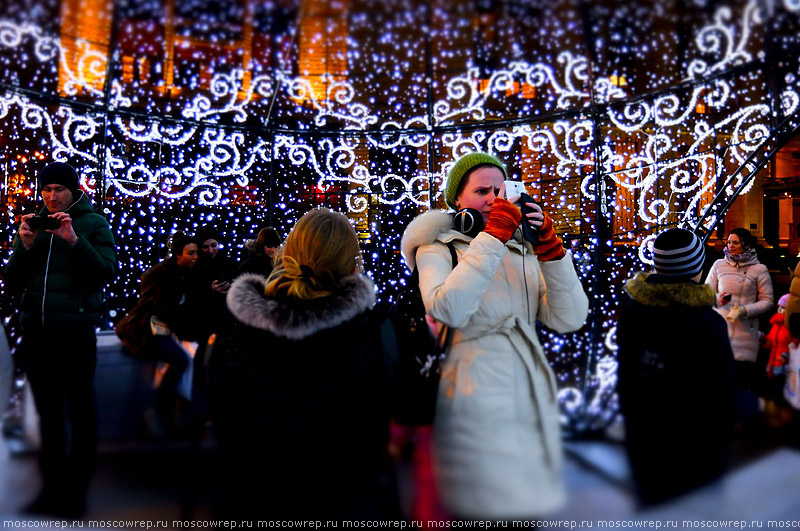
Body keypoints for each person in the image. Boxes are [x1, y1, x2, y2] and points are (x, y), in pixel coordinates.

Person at [400, 152, 589, 519]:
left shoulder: (521, 248)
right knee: (483, 514)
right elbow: (448, 308)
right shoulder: (437, 246)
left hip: (531, 393)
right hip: (472, 391)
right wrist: (493, 236)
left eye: (499, 190)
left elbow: (569, 319)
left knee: (527, 513)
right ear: (458, 199)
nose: (491, 198)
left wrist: (552, 253)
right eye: (481, 190)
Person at [211, 208, 398, 519]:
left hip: (254, 493)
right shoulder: (373, 330)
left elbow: (221, 408)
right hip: (346, 495)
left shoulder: (237, 329)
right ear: (352, 266)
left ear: (287, 255)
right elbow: (387, 410)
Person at [4, 162, 116, 517]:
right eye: (47, 189)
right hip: (37, 329)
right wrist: (24, 245)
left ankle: (76, 494)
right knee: (49, 413)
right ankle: (51, 491)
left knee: (81, 411)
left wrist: (72, 241)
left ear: (74, 190)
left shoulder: (94, 223)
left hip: (76, 330)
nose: (52, 197)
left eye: (60, 190)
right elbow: (12, 280)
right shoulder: (33, 224)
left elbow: (106, 273)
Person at [617, 228, 736, 506]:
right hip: (695, 441)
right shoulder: (706, 322)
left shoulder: (634, 310)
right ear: (697, 268)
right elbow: (722, 388)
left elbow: (626, 368)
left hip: (644, 433)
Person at [139, 233, 205, 434]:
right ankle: (161, 408)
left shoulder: (180, 273)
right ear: (178, 254)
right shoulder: (169, 275)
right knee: (181, 361)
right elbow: (166, 309)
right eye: (191, 253)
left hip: (166, 329)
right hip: (157, 329)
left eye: (196, 253)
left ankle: (167, 412)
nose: (196, 257)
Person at [706, 228, 774, 391]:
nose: (730, 246)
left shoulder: (759, 269)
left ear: (746, 244)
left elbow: (768, 301)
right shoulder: (719, 265)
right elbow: (706, 291)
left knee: (742, 380)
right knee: (719, 379)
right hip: (720, 327)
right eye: (729, 242)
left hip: (745, 331)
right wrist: (717, 298)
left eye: (735, 242)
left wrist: (745, 310)